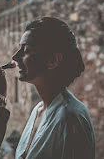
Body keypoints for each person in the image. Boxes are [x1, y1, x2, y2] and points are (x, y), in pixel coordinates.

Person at [11, 17, 95, 159]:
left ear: (53, 60)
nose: (15, 57)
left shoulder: (71, 118)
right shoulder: (38, 110)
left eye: (25, 50)